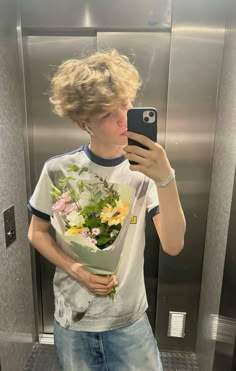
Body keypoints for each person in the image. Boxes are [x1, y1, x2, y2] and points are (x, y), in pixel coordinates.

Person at [27, 49, 186, 371]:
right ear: (83, 122)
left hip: (129, 319)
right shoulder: (58, 170)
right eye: (106, 114)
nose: (123, 119)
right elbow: (36, 232)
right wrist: (76, 270)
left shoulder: (146, 170)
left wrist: (166, 178)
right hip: (73, 318)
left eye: (126, 104)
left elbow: (173, 245)